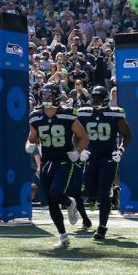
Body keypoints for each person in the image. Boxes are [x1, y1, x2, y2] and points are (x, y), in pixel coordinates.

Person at [27, 83, 89, 249]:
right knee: (50, 199)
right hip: (47, 160)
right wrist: (29, 145)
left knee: (55, 192)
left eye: (50, 95)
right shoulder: (35, 116)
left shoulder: (68, 114)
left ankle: (69, 202)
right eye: (45, 95)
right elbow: (32, 138)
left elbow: (83, 136)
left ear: (57, 96)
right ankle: (63, 236)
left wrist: (77, 151)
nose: (47, 98)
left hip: (64, 159)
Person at [76, 84, 131, 240]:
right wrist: (80, 149)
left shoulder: (114, 115)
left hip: (108, 157)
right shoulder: (84, 114)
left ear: (106, 99)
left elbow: (127, 135)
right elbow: (75, 134)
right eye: (94, 97)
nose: (96, 101)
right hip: (91, 155)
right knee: (88, 188)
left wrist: (120, 150)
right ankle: (106, 194)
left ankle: (102, 227)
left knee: (102, 192)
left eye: (99, 98)